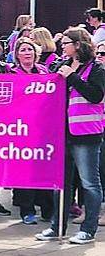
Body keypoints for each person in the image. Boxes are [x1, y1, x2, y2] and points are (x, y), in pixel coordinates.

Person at [37, 27, 104, 244]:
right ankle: (57, 227)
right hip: (62, 132)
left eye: (66, 42)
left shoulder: (96, 69)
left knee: (89, 183)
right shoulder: (61, 66)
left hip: (86, 134)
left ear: (78, 44)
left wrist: (73, 78)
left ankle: (88, 229)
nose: (62, 46)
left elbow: (95, 96)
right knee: (61, 182)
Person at [8, 38, 54, 224]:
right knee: (25, 171)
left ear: (36, 53)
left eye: (30, 50)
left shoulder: (45, 71)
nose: (27, 53)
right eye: (23, 50)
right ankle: (27, 211)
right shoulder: (11, 73)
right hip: (20, 128)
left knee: (44, 169)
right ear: (17, 55)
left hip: (42, 127)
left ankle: (48, 209)